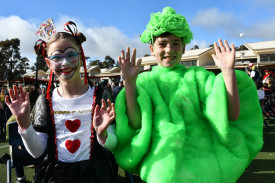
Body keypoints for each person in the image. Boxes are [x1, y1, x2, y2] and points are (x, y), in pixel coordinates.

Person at [113, 7, 263, 183]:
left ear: (184, 48)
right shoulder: (145, 81)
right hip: (161, 163)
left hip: (204, 164)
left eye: (176, 43)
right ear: (152, 48)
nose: (169, 49)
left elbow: (231, 115)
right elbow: (136, 122)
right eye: (162, 43)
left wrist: (228, 72)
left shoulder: (198, 77)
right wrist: (130, 83)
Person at [5, 21, 117, 183]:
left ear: (80, 55)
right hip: (56, 177)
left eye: (71, 54)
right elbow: (37, 152)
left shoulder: (100, 95)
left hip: (96, 176)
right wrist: (24, 124)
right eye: (57, 57)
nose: (65, 63)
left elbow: (113, 144)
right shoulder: (46, 100)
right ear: (49, 63)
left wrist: (102, 134)